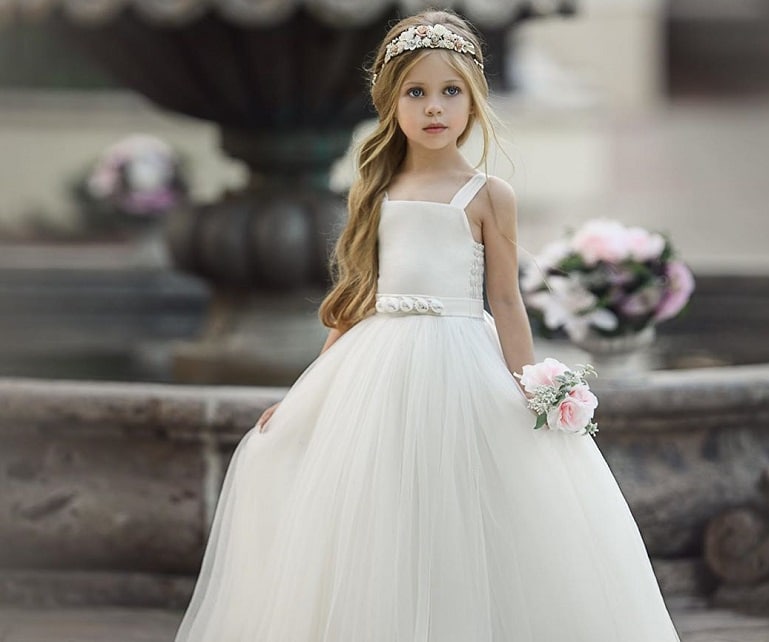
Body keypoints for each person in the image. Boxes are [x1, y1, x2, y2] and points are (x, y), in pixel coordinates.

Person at [175, 9, 682, 641]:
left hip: (462, 355)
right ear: (392, 102)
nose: (434, 108)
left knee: (468, 503)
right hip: (379, 360)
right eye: (417, 92)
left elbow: (506, 299)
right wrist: (304, 393)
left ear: (473, 101)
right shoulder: (376, 187)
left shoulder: (489, 195)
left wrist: (536, 385)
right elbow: (357, 295)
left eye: (451, 92)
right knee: (379, 506)